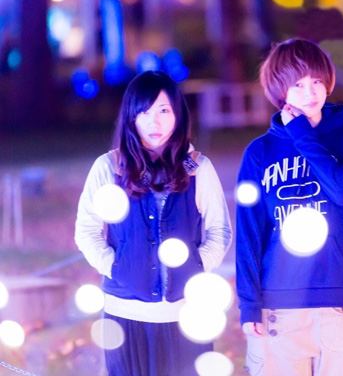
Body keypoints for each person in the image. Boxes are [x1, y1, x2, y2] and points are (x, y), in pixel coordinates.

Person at [75, 70, 232, 376]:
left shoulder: (198, 168)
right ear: (131, 117)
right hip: (125, 315)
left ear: (178, 115)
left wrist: (198, 266)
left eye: (163, 111)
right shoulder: (109, 168)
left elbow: (220, 229)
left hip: (187, 315)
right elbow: (86, 230)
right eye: (144, 113)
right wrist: (115, 267)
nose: (155, 123)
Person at [236, 38, 343, 376]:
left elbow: (342, 191)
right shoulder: (259, 152)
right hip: (280, 305)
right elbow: (249, 233)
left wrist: (301, 134)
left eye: (316, 81)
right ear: (280, 90)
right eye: (297, 84)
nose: (310, 92)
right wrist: (249, 304)